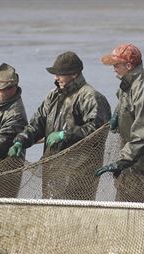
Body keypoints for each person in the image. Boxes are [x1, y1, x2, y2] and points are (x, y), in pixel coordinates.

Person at [8, 51, 111, 200]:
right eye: (55, 74)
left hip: (79, 173)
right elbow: (37, 123)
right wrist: (21, 140)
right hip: (52, 170)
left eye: (60, 74)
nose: (56, 77)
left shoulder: (91, 97)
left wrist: (65, 135)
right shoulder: (53, 95)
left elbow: (98, 131)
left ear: (74, 74)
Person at [95, 43, 144, 197]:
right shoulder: (128, 84)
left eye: (116, 64)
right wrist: (117, 115)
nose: (113, 68)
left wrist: (122, 160)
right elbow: (126, 105)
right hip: (133, 162)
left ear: (129, 65)